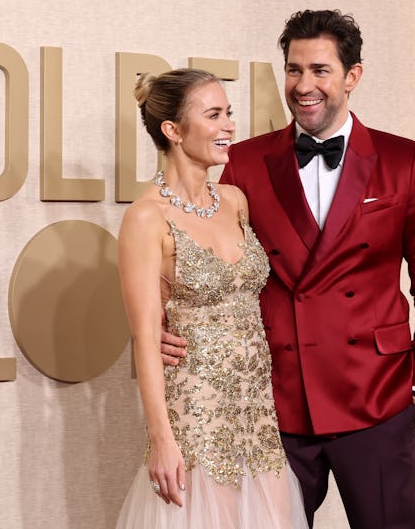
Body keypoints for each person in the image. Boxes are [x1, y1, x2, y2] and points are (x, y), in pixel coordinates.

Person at [161, 10, 415, 528]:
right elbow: (187, 239)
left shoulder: (401, 160)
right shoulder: (246, 163)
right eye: (294, 70)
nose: (304, 85)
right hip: (276, 404)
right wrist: (163, 322)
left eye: (320, 70)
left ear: (352, 76)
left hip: (378, 398)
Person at [115, 68, 308, 528]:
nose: (230, 127)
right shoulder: (146, 219)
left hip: (257, 416)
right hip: (197, 417)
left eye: (230, 113)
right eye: (215, 115)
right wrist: (162, 438)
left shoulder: (235, 201)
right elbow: (146, 339)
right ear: (174, 131)